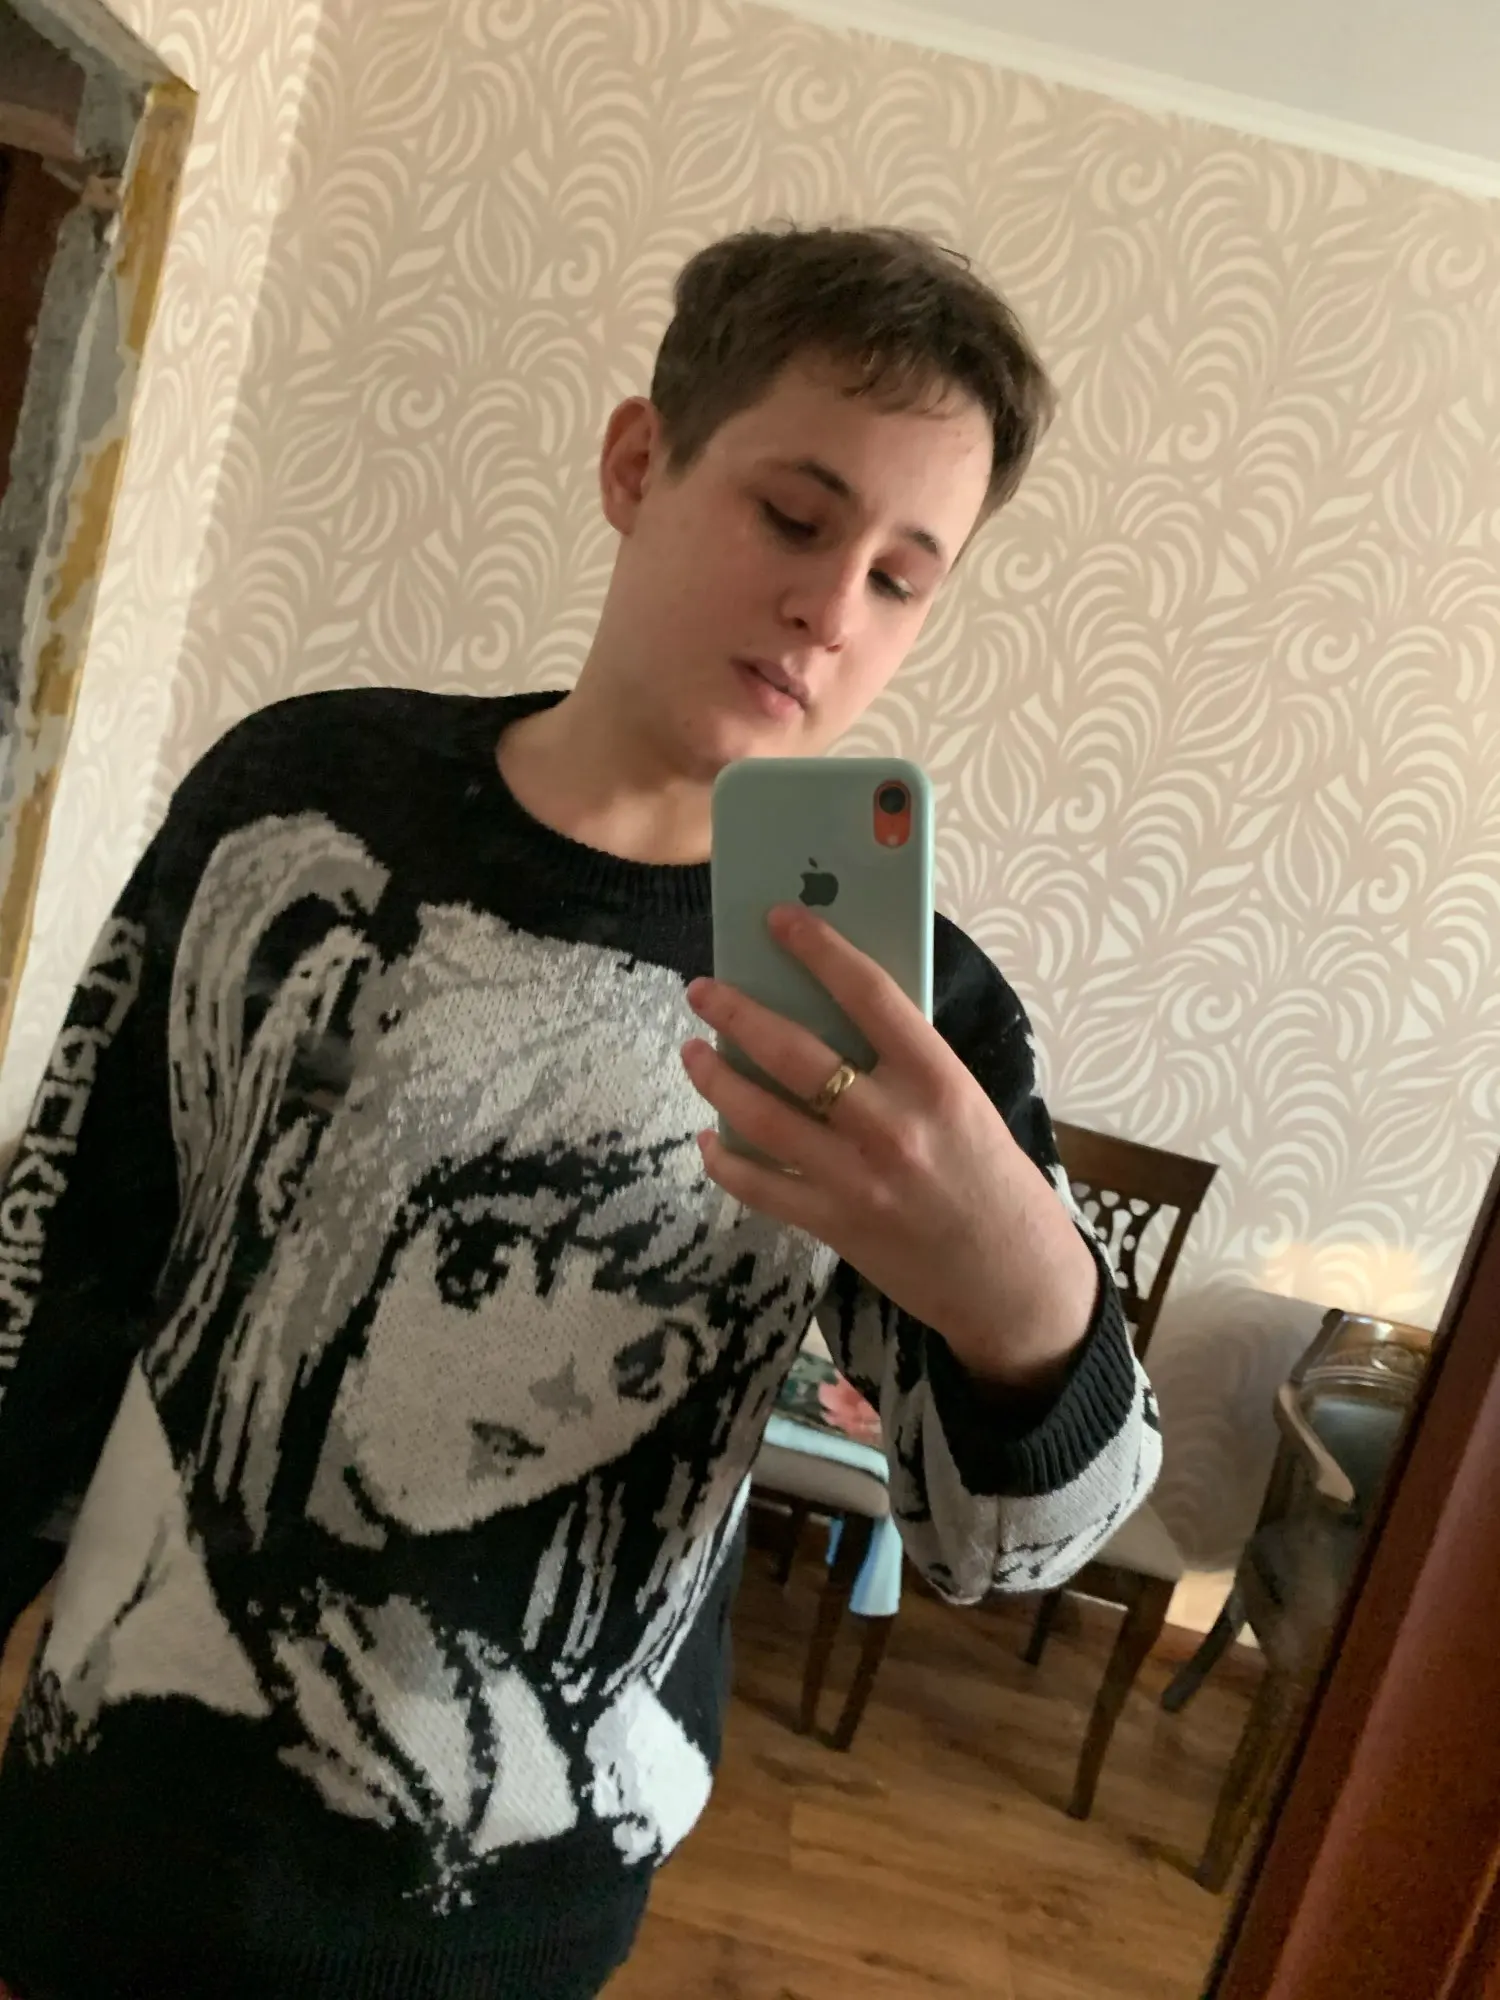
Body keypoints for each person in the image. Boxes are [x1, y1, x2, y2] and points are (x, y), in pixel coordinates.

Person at [0, 224, 1160, 2000]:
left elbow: (1003, 1546)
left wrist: (1029, 1305)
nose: (833, 609)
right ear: (638, 463)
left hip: (512, 1915)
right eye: (795, 517)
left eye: (901, 577)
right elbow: (76, 1240)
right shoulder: (306, 800)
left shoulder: (901, 1008)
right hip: (108, 1804)